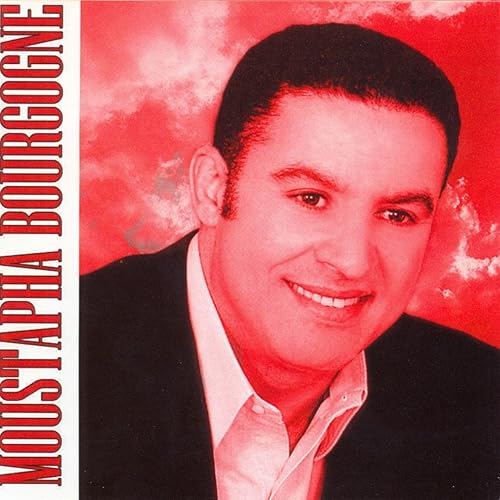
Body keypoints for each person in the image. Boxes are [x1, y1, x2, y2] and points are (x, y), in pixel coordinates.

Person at [80, 23, 498, 499]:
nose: (352, 261)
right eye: (311, 198)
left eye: (396, 214)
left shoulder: (482, 400)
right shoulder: (44, 368)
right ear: (213, 189)